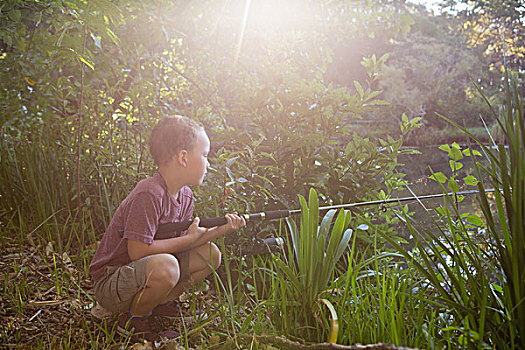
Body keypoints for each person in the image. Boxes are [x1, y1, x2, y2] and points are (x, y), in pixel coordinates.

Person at [88, 115, 246, 341]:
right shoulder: (148, 194)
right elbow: (138, 252)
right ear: (183, 157)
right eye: (204, 155)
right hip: (111, 283)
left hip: (144, 273)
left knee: (211, 254)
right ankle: (133, 320)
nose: (208, 163)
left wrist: (223, 230)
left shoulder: (186, 196)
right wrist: (189, 240)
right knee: (168, 266)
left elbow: (182, 244)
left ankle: (160, 303)